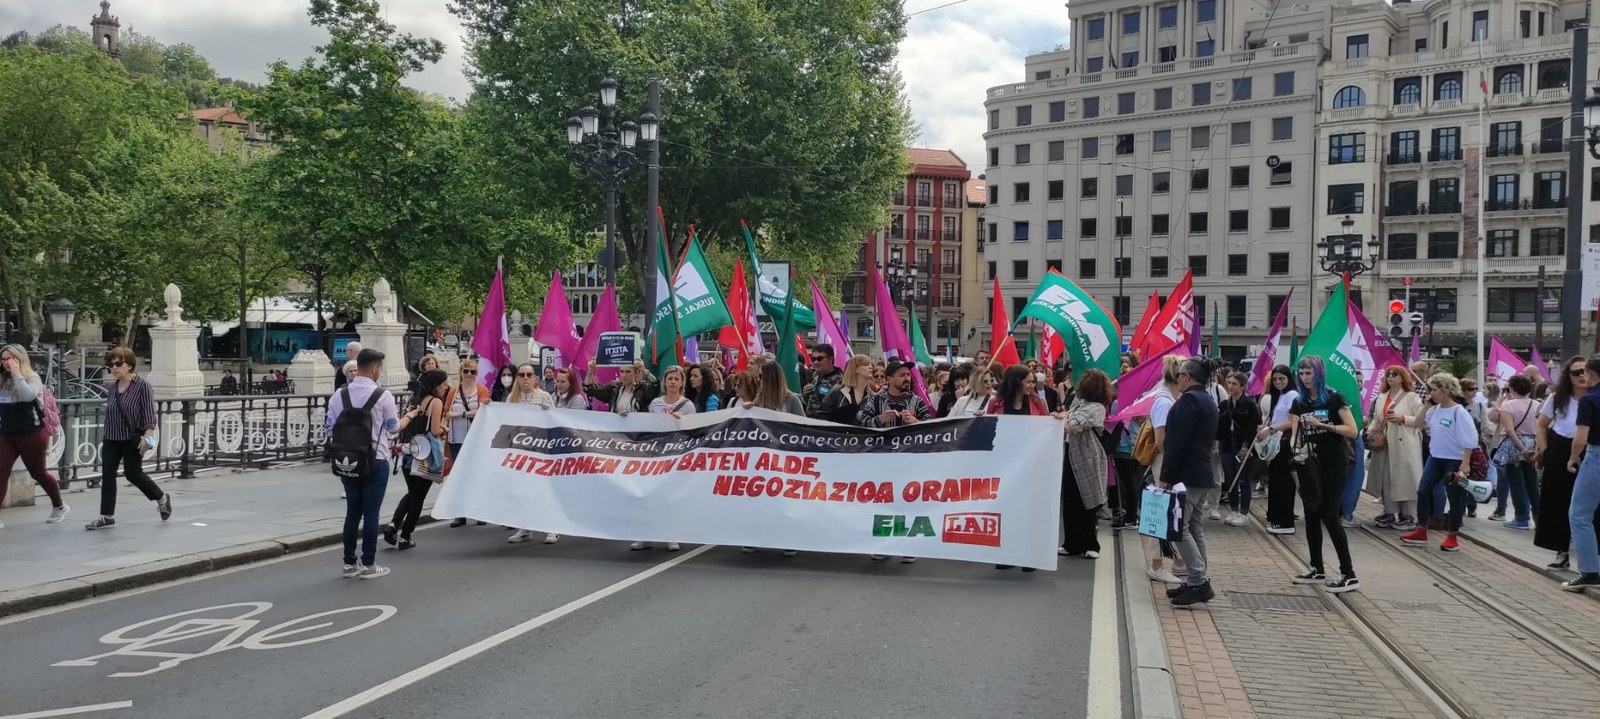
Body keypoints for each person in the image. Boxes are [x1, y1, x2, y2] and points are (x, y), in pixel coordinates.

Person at [1264, 356, 1361, 594]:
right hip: (1310, 464)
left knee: (1330, 515)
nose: (1305, 378)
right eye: (1302, 374)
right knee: (1311, 513)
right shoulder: (1299, 402)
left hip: (1335, 463)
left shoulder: (1334, 398)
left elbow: (1353, 430)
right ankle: (1316, 567)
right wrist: (1296, 449)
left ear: (1319, 374)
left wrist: (1324, 426)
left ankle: (1348, 573)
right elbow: (1296, 436)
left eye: (1309, 373)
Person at [326, 349, 410, 579]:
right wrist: (408, 417)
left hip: (348, 460)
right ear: (374, 368)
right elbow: (393, 428)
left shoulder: (339, 395)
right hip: (376, 459)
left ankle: (349, 563)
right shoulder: (383, 396)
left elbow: (329, 428)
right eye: (380, 368)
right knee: (371, 513)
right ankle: (368, 564)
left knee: (352, 512)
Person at [86, 347, 170, 530]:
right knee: (108, 474)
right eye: (111, 365)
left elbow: (149, 416)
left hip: (131, 438)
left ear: (130, 365)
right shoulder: (113, 388)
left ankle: (162, 497)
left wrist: (147, 439)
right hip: (111, 436)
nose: (114, 368)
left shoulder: (142, 386)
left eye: (118, 363)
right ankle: (106, 516)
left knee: (133, 474)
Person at [1398, 374, 1482, 555]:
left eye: (1434, 390)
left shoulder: (1459, 412)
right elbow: (1418, 423)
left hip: (1455, 459)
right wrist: (1426, 406)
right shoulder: (1434, 410)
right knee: (1423, 491)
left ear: (1446, 391)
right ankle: (1421, 530)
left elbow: (1470, 439)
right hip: (1436, 457)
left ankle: (1452, 536)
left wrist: (1465, 462)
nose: (1431, 393)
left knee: (1455, 498)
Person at [1162, 358, 1221, 606]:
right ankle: (1198, 578)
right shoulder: (1207, 400)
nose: (1177, 379)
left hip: (1186, 473)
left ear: (1186, 377)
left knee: (1178, 527)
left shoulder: (1189, 400)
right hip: (1201, 472)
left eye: (1180, 375)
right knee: (1194, 527)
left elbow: (1176, 442)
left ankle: (1198, 581)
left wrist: (1166, 476)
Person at [0, 344, 67, 526]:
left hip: (32, 433)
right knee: (1, 471)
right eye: (3, 359)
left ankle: (59, 505)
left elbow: (27, 396)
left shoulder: (32, 378)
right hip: (7, 433)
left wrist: (17, 374)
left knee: (38, 473)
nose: (6, 363)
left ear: (20, 359)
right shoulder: (3, 379)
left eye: (10, 359)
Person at [742, 362, 804, 558]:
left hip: (786, 458)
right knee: (761, 500)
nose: (758, 380)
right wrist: (747, 410)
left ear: (770, 378)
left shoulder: (792, 400)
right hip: (763, 459)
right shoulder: (757, 402)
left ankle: (788, 539)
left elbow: (804, 427)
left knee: (785, 501)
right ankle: (757, 537)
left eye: (761, 376)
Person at [383, 369, 448, 551]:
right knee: (418, 497)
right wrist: (444, 429)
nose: (446, 387)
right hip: (425, 455)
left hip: (408, 451)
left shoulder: (413, 399)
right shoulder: (435, 402)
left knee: (412, 492)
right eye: (444, 384)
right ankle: (406, 536)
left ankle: (393, 525)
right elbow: (434, 430)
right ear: (435, 386)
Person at [1537, 356, 1592, 569]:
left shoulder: (1595, 397)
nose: (1581, 376)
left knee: (1589, 502)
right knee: (1557, 500)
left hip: (1590, 449)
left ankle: (1590, 554)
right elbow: (1541, 424)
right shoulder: (1557, 398)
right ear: (1568, 376)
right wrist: (1544, 448)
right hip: (1561, 448)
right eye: (1576, 372)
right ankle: (1560, 550)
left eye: (1585, 371)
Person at [1365, 365, 1424, 532]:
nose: (1390, 377)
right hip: (1385, 442)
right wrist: (1371, 431)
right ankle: (1390, 511)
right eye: (1388, 374)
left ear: (1402, 377)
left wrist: (1403, 418)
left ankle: (1409, 515)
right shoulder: (1382, 396)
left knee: (1406, 479)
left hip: (1404, 442)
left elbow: (1422, 419)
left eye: (1395, 374)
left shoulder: (1411, 397)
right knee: (1386, 477)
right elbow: (1377, 418)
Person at [1062, 369, 1111, 558]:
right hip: (1072, 454)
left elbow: (1071, 425)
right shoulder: (1080, 403)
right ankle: (1071, 543)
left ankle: (1091, 544)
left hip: (1088, 456)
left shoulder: (1097, 408)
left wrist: (1063, 418)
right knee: (1070, 499)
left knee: (1087, 500)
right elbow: (1068, 417)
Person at [1562, 357, 1600, 591]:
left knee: (1579, 515)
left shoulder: (1589, 399)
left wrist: (1573, 457)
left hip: (1596, 456)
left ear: (1590, 373)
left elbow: (1581, 437)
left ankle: (1590, 571)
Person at [446, 359, 493, 528]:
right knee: (459, 475)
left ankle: (479, 511)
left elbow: (483, 410)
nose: (468, 374)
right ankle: (460, 513)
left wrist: (461, 414)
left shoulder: (481, 390)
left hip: (475, 438)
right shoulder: (453, 392)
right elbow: (446, 412)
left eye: (472, 372)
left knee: (476, 474)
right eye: (466, 371)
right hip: (456, 438)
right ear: (461, 372)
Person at [1491, 374, 1541, 530]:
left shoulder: (1508, 406)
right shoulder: (1537, 404)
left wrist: (1522, 449)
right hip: (1533, 442)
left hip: (1515, 445)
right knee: (1532, 483)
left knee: (1516, 483)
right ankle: (1539, 518)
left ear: (1512, 388)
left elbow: (1510, 431)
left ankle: (1522, 517)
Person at [1258, 365, 1299, 534]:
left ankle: (1285, 521)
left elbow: (1293, 421)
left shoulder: (1292, 395)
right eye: (1275, 379)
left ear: (1289, 378)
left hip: (1285, 441)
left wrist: (1272, 429)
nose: (1278, 382)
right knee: (1275, 481)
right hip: (1276, 442)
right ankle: (1275, 517)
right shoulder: (1279, 395)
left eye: (1282, 378)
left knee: (1284, 482)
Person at [1216, 371, 1260, 527]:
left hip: (1242, 444)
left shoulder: (1250, 405)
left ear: (1242, 386)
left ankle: (1244, 512)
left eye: (1234, 384)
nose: (1230, 386)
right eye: (1228, 383)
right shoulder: (1224, 404)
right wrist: (1217, 442)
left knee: (1243, 478)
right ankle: (1234, 510)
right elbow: (1220, 426)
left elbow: (1253, 427)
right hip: (1227, 443)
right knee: (1230, 478)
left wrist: (1246, 445)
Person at [858, 361, 932, 428]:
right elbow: (862, 423)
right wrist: (880, 419)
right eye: (902, 375)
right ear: (889, 379)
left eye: (908, 375)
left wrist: (915, 421)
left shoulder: (917, 401)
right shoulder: (876, 400)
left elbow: (930, 426)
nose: (907, 378)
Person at [585, 359, 659, 415]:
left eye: (628, 372)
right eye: (622, 371)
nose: (624, 375)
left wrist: (645, 371)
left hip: (637, 429)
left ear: (636, 373)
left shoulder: (643, 389)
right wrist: (590, 370)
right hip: (616, 429)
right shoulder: (613, 388)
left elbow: (656, 386)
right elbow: (589, 389)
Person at [821, 355, 875, 425]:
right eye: (866, 364)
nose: (871, 367)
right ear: (855, 368)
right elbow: (822, 416)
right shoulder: (837, 392)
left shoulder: (873, 396)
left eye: (871, 365)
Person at [802, 344, 843, 419]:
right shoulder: (816, 377)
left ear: (830, 359)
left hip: (826, 423)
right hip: (810, 421)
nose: (816, 362)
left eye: (820, 358)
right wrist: (806, 396)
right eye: (813, 359)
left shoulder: (839, 380)